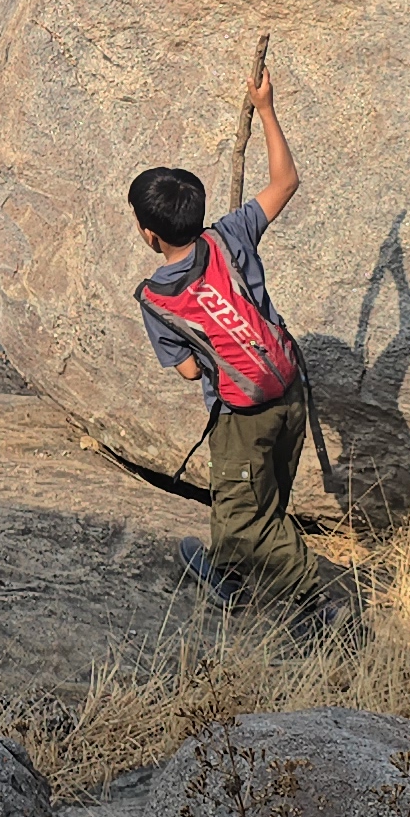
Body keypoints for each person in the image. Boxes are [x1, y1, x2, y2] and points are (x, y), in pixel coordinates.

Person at [127, 60, 339, 623]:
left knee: (250, 514)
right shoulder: (231, 233)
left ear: (150, 235)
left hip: (240, 412)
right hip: (291, 388)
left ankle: (317, 611)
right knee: (251, 494)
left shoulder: (155, 300)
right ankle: (228, 570)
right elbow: (285, 182)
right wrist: (266, 109)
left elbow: (191, 373)